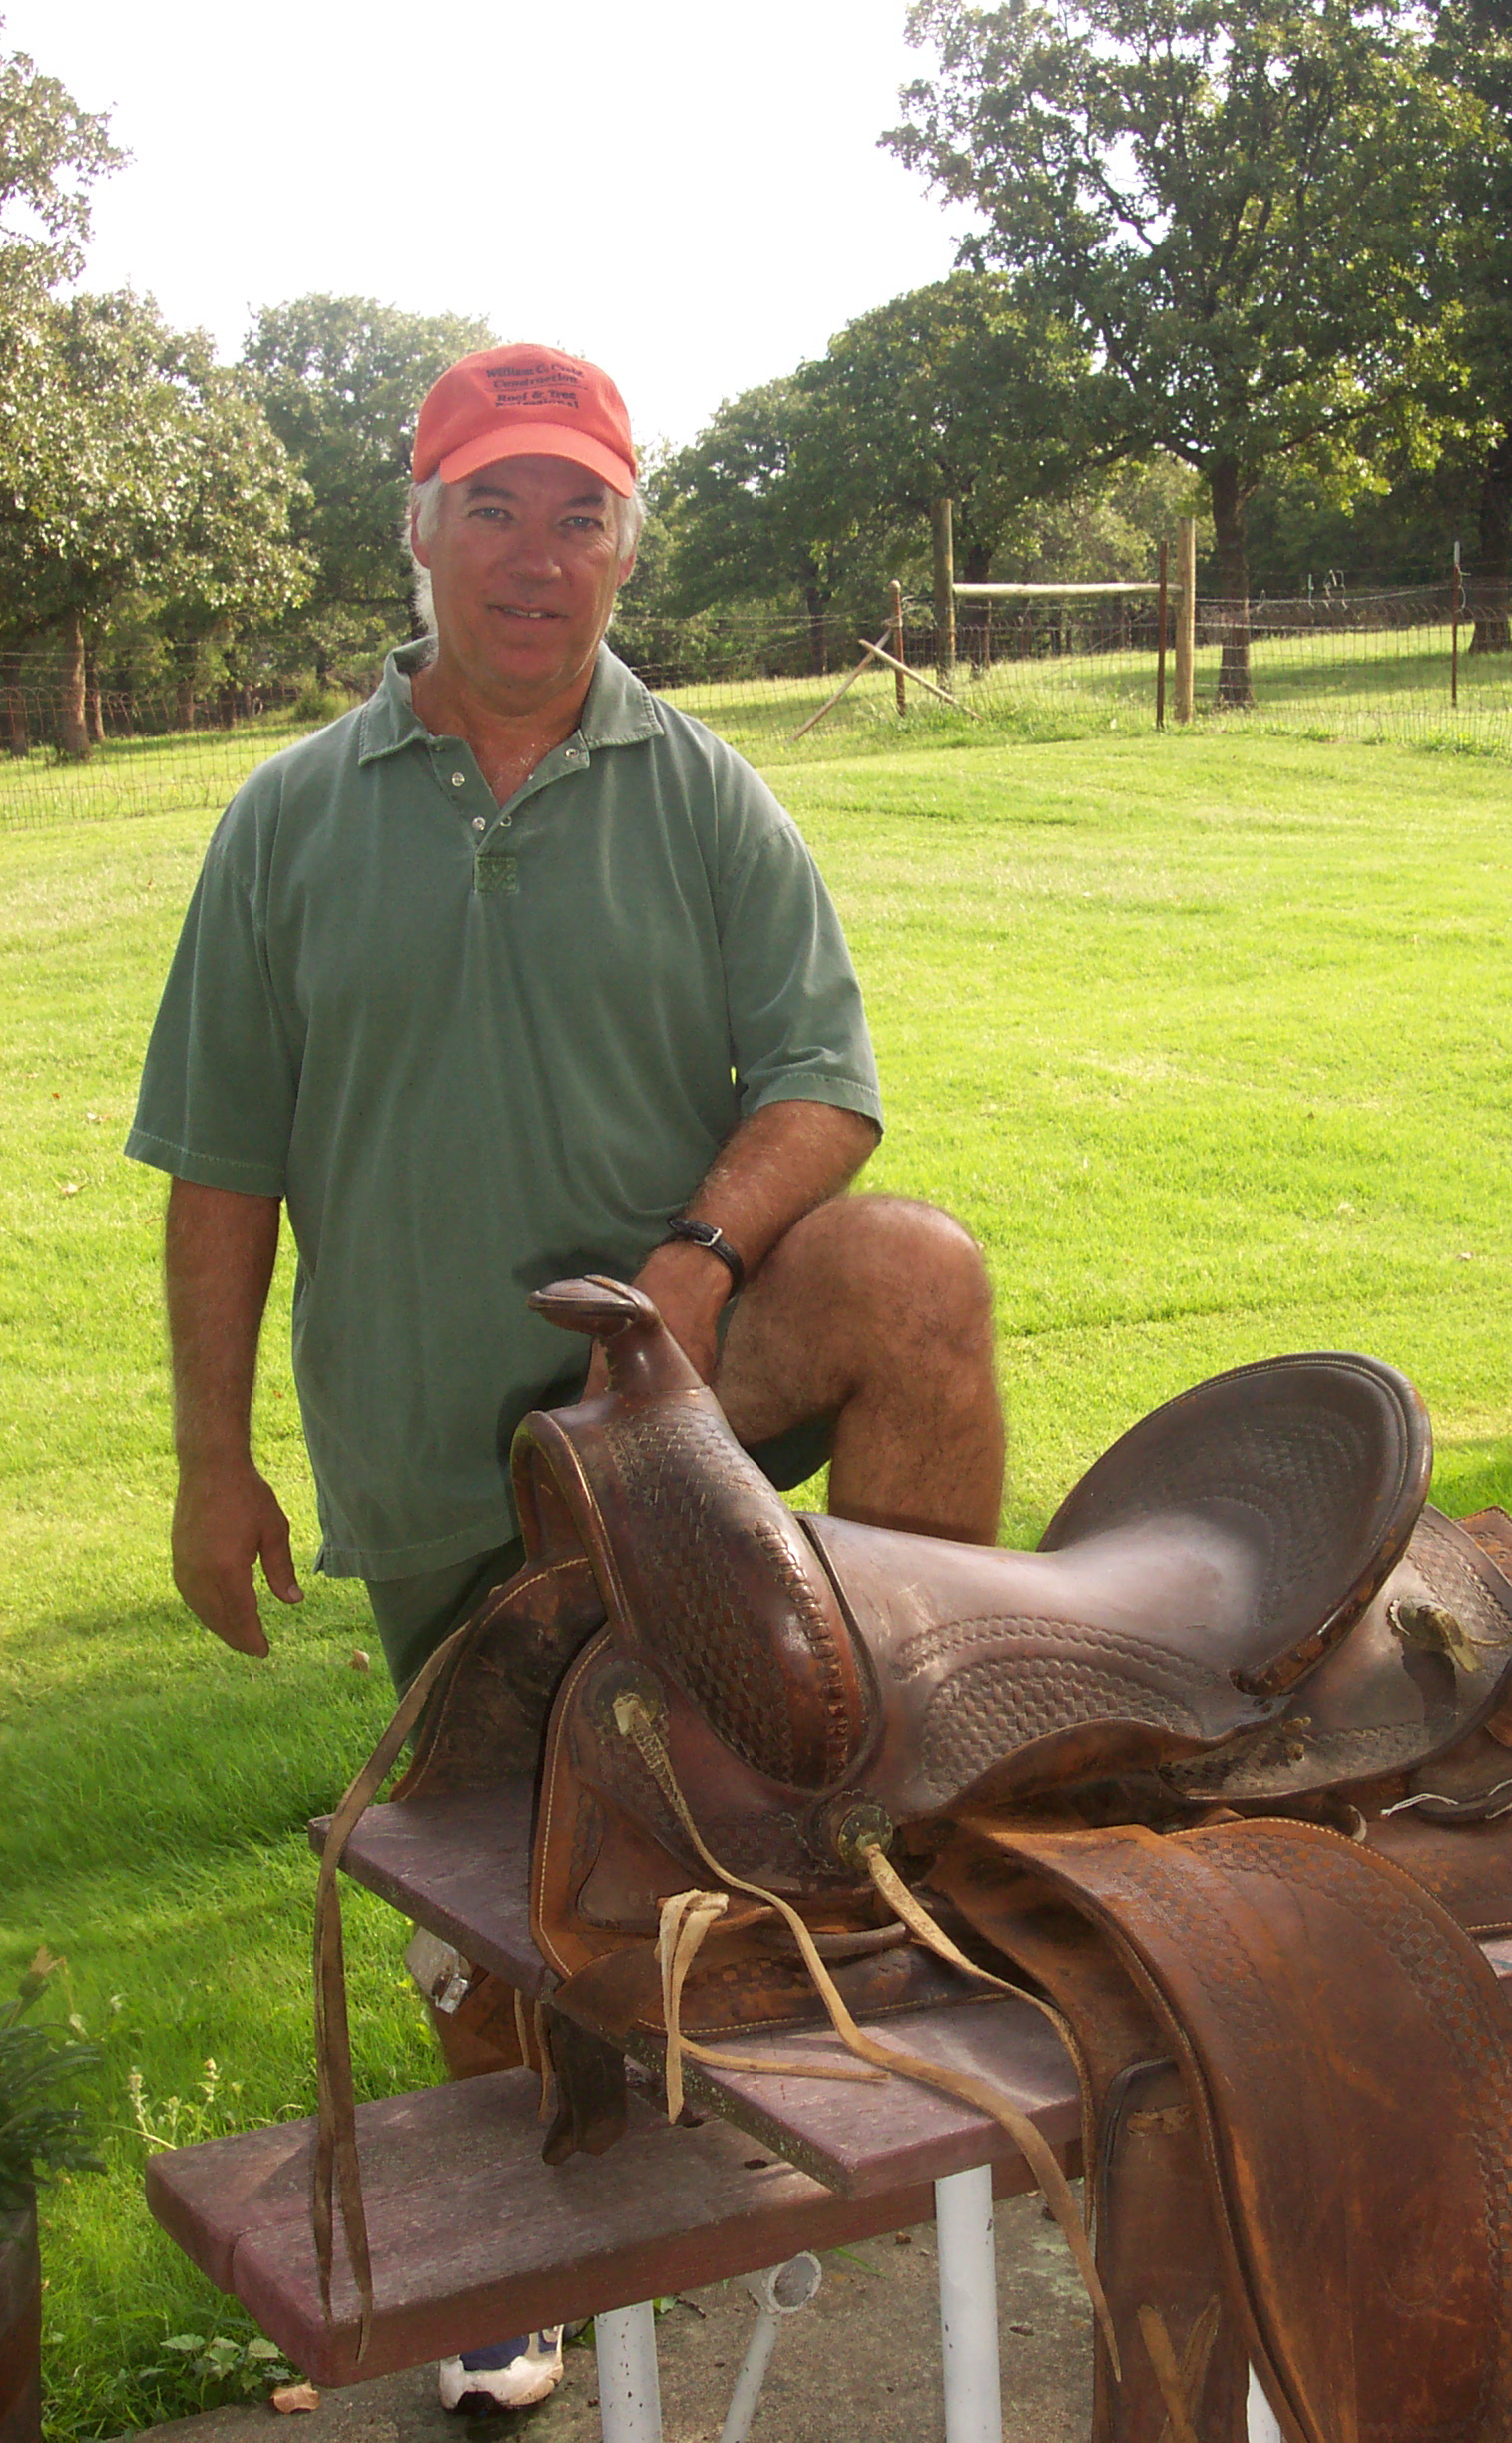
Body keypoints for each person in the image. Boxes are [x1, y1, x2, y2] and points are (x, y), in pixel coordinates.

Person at [126, 343, 1004, 2410]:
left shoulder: (703, 793)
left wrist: (696, 1263)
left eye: (580, 510)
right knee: (504, 1896)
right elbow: (221, 1172)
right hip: (444, 1456)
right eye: (495, 506)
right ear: (419, 531)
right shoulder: (282, 827)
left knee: (915, 1278)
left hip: (685, 1403)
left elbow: (824, 1087)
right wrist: (205, 1464)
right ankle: (516, 2246)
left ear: (627, 543)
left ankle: (891, 1791)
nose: (539, 554)